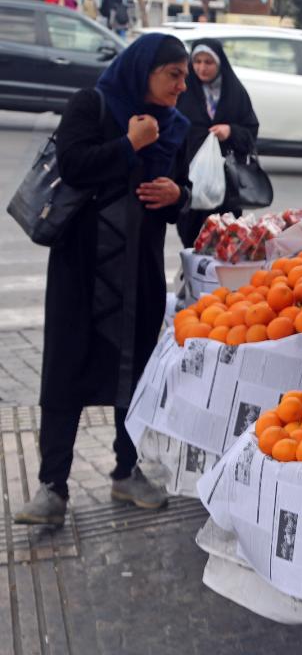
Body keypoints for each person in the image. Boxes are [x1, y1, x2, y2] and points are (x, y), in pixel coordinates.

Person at [14, 34, 193, 526]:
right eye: (173, 74)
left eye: (184, 76)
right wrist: (129, 145)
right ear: (143, 70)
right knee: (66, 368)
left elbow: (188, 198)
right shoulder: (90, 105)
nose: (182, 85)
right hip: (80, 267)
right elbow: (73, 165)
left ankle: (126, 469)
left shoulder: (175, 127)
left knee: (132, 372)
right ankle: (53, 486)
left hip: (138, 270)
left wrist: (177, 193)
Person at [175, 38, 260, 248]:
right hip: (190, 183)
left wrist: (230, 131)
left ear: (219, 63)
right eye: (197, 62)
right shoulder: (182, 92)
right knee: (192, 242)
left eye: (208, 62)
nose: (202, 68)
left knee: (225, 244)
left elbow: (250, 131)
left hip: (227, 188)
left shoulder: (235, 93)